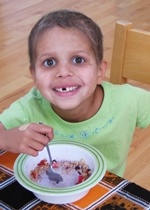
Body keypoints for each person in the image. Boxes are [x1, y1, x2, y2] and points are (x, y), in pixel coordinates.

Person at [0, 9, 150, 177]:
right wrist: (4, 138)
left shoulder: (128, 100)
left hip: (107, 193)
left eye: (78, 60)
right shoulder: (29, 107)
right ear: (34, 75)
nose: (63, 72)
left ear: (100, 71)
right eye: (49, 62)